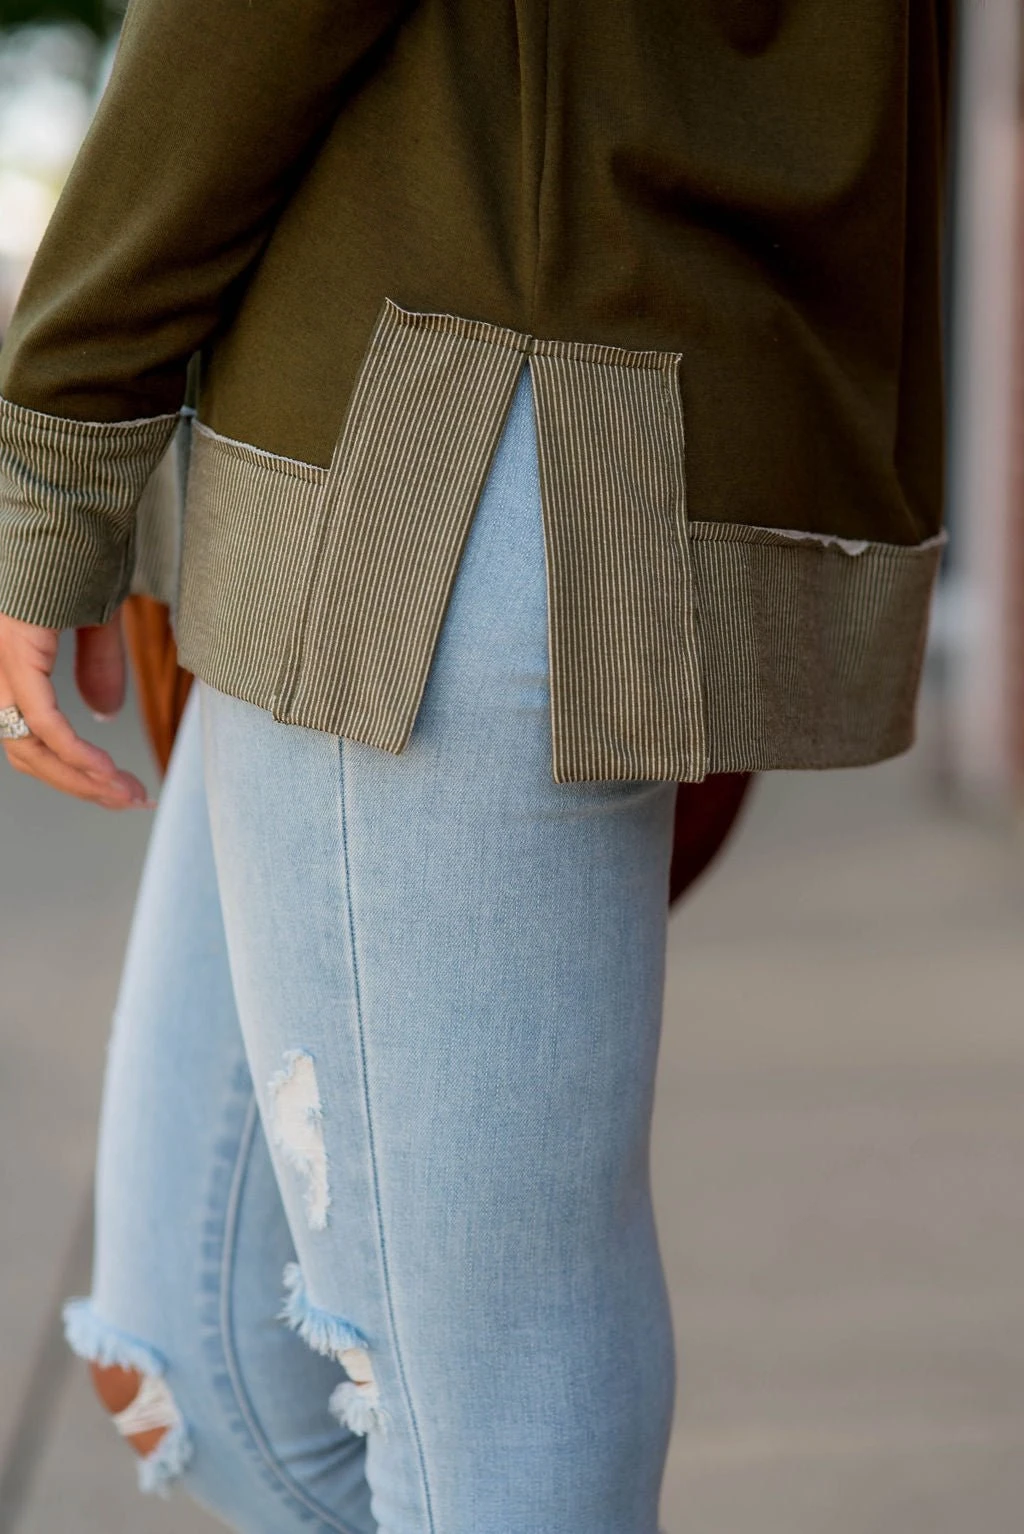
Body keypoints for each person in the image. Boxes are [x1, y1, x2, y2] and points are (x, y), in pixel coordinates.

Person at [0, 3, 953, 1530]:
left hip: (451, 422)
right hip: (414, 390)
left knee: (487, 1429)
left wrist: (55, 431)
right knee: (205, 1356)